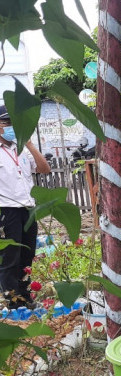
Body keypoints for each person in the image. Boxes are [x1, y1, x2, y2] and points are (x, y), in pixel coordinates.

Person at [0, 105, 52, 308]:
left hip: (28, 209)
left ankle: (25, 296)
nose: (14, 127)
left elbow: (44, 169)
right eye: (8, 123)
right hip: (6, 210)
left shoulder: (21, 148)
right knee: (9, 257)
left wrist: (29, 144)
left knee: (27, 254)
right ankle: (13, 301)